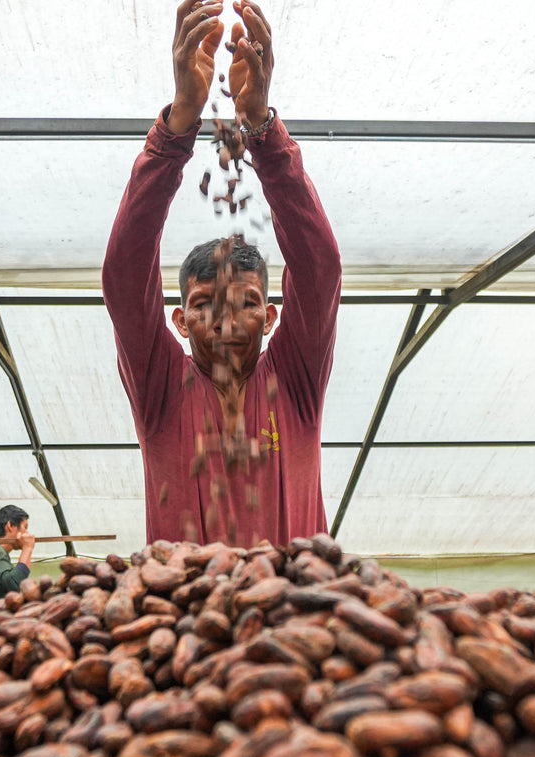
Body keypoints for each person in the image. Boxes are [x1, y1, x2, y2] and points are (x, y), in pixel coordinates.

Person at [103, 0, 342, 548]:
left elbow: (319, 266)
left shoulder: (296, 377)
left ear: (273, 314)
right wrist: (180, 122)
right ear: (181, 321)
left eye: (247, 301)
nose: (228, 318)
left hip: (297, 620)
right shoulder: (161, 387)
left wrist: (262, 128)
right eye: (207, 303)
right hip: (188, 626)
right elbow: (124, 275)